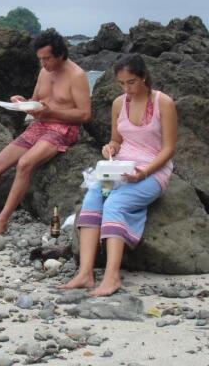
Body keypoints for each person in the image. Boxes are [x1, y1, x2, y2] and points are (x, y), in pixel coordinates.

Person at [0, 29, 91, 236]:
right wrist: (22, 103)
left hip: (63, 128)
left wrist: (50, 111)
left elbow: (84, 115)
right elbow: (37, 100)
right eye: (40, 59)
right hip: (40, 125)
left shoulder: (77, 75)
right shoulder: (44, 71)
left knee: (25, 164)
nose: (43, 64)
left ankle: (2, 222)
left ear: (61, 54)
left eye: (47, 58)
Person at [61, 54, 176, 297]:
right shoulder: (118, 103)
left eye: (131, 82)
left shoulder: (163, 103)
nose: (127, 89)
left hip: (152, 170)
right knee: (93, 196)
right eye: (121, 83)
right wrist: (110, 148)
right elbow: (117, 139)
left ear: (143, 77)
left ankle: (112, 277)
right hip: (120, 168)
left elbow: (168, 149)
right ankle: (85, 273)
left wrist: (144, 172)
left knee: (115, 203)